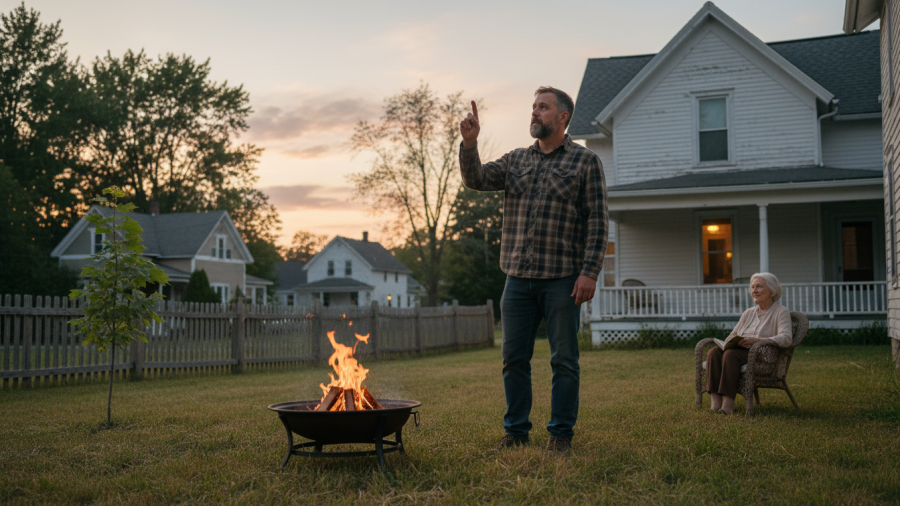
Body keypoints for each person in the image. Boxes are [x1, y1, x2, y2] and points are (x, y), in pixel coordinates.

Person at [458, 86, 608, 454]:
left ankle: (560, 436)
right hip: (517, 280)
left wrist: (589, 272)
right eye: (533, 107)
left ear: (562, 117)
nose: (534, 113)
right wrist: (470, 144)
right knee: (513, 360)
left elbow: (598, 223)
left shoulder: (585, 163)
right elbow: (475, 179)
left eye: (543, 107)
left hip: (562, 279)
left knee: (564, 361)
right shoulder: (515, 161)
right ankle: (516, 432)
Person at [707, 272, 793, 415]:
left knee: (730, 355)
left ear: (772, 291)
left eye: (759, 287)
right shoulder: (748, 313)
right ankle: (715, 404)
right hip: (741, 351)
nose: (754, 290)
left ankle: (727, 406)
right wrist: (730, 343)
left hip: (762, 356)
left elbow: (786, 338)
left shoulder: (781, 312)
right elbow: (733, 335)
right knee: (714, 352)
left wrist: (758, 341)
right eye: (752, 287)